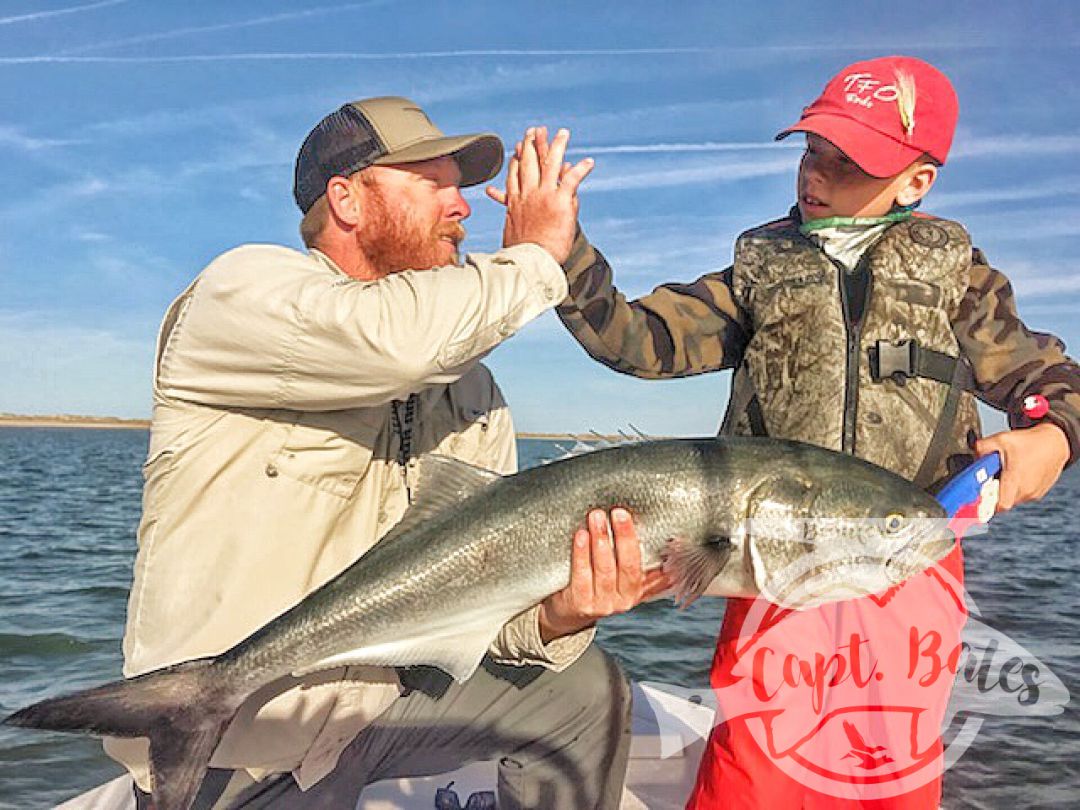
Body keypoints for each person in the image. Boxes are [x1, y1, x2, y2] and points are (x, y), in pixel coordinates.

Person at [534, 56, 1080, 808]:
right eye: (812, 151)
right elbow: (637, 339)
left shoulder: (961, 278)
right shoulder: (759, 267)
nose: (814, 175)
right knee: (756, 769)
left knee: (888, 764)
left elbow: (1050, 383)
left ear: (916, 180)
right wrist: (564, 256)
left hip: (906, 564)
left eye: (849, 162)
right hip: (774, 565)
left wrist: (1051, 437)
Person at [105, 96, 662, 810]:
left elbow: (486, 601)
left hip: (382, 710)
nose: (462, 207)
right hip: (244, 734)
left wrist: (563, 614)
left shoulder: (474, 390)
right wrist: (535, 257)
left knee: (583, 691)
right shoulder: (241, 293)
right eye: (433, 183)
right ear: (346, 199)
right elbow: (396, 344)